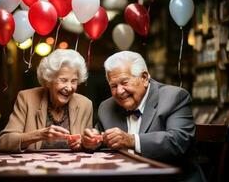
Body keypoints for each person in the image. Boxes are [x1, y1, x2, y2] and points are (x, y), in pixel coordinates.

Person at [82, 51, 203, 181]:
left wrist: (132, 140)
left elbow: (178, 141)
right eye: (113, 86)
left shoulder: (174, 97)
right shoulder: (106, 107)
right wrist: (92, 140)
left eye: (124, 82)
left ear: (144, 78)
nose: (119, 91)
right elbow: (101, 136)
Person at [0, 49, 92, 152]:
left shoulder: (85, 104)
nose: (69, 88)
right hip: (34, 167)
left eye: (74, 81)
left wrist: (84, 145)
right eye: (63, 80)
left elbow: (89, 145)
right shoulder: (26, 98)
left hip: (71, 167)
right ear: (48, 80)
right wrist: (39, 135)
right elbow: (4, 142)